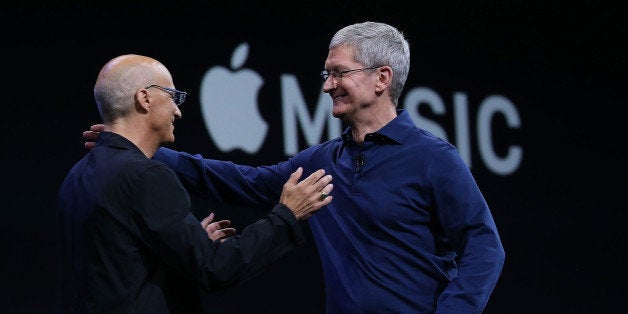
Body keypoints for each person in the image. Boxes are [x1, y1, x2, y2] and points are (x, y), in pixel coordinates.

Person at [85, 21, 505, 313]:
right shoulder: (324, 161)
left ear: (382, 78)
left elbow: (484, 247)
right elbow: (245, 183)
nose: (326, 85)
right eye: (326, 73)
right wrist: (144, 147)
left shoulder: (433, 159)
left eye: (339, 73)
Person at [60, 54, 334, 314]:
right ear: (144, 98)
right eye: (173, 97)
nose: (177, 112)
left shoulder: (78, 174)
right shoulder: (147, 175)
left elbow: (117, 269)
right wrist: (287, 216)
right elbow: (214, 269)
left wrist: (189, 244)